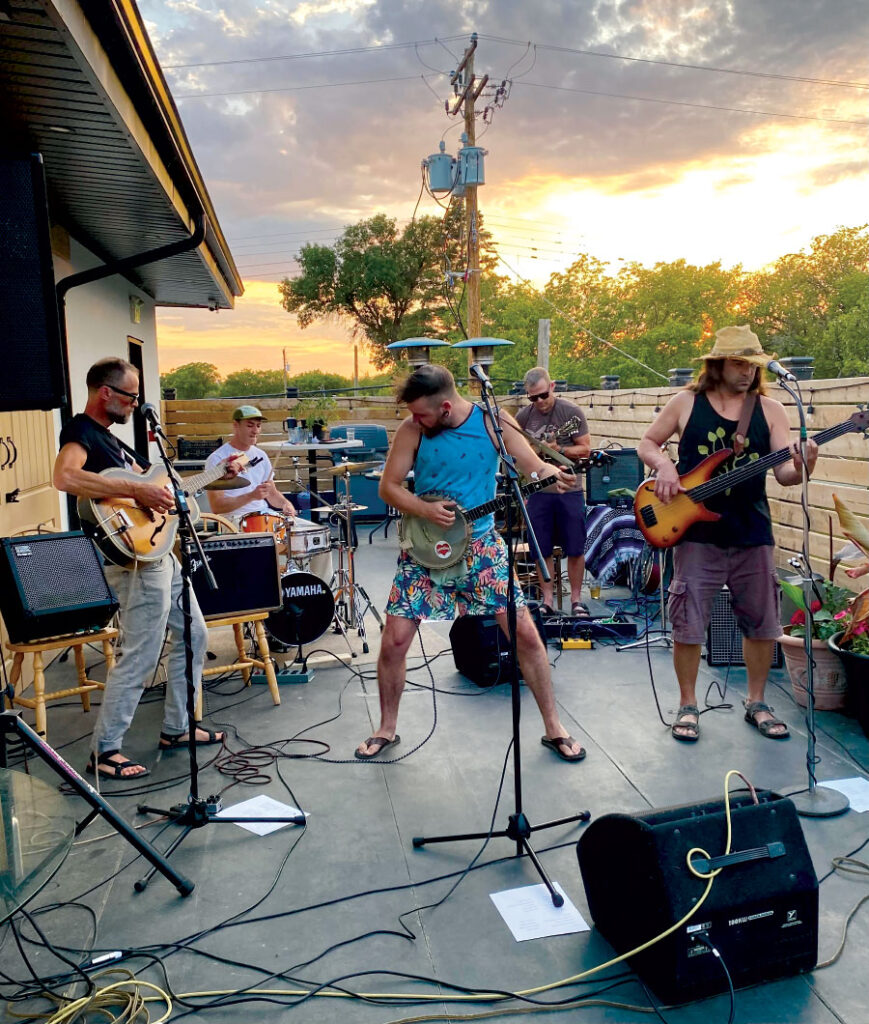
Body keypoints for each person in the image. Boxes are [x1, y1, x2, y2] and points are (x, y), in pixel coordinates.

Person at [355, 364, 586, 763]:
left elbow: (532, 464)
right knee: (394, 641)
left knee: (526, 636)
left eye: (422, 413)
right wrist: (424, 510)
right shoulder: (412, 432)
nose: (415, 420)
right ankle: (386, 728)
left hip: (481, 546)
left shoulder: (494, 422)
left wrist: (552, 472)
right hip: (426, 549)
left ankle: (554, 727)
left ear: (445, 407)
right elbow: (388, 488)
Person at [636, 325, 818, 743]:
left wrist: (807, 462)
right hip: (696, 533)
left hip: (752, 529)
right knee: (688, 621)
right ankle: (687, 705)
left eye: (753, 365)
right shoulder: (685, 403)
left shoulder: (771, 410)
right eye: (739, 363)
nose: (747, 373)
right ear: (717, 364)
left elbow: (786, 475)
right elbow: (648, 442)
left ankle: (757, 702)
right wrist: (664, 466)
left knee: (762, 622)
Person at [53, 358, 231, 779]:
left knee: (194, 634)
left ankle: (178, 728)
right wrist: (135, 488)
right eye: (131, 395)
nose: (136, 403)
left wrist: (219, 474)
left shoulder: (114, 443)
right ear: (106, 393)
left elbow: (158, 488)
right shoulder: (81, 433)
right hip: (132, 558)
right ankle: (105, 750)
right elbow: (64, 477)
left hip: (155, 553)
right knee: (141, 654)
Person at [515, 367, 592, 616]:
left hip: (569, 489)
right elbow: (514, 452)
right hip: (538, 491)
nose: (539, 402)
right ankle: (547, 601)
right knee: (541, 547)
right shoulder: (523, 417)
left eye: (542, 395)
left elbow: (585, 450)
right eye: (532, 398)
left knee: (575, 546)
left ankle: (576, 600)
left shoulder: (571, 413)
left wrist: (559, 448)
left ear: (553, 387)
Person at [205, 405, 297, 524]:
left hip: (263, 516)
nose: (255, 431)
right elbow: (217, 507)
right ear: (235, 425)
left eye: (258, 426)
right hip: (233, 522)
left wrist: (285, 503)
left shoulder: (261, 455)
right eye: (250, 425)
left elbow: (271, 493)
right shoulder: (217, 459)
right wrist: (251, 496)